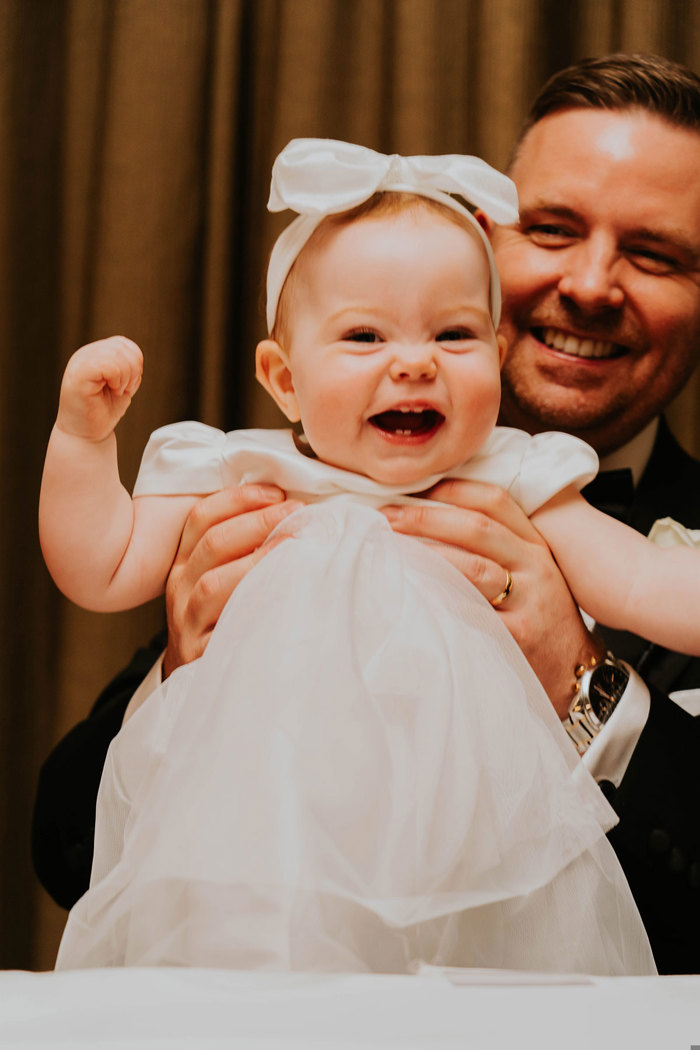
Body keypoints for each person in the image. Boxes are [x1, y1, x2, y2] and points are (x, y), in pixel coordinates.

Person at [32, 53, 700, 973]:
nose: (589, 284)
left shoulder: (534, 480)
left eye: (654, 251)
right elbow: (63, 831)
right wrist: (186, 659)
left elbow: (646, 580)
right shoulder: (263, 484)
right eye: (550, 229)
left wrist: (591, 692)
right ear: (284, 379)